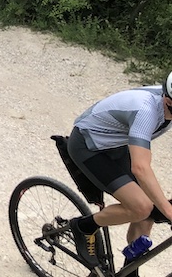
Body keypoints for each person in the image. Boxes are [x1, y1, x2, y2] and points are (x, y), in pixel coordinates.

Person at [64, 76, 172, 273]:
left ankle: (131, 269)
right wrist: (169, 211)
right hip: (89, 147)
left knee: (150, 212)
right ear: (168, 101)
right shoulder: (146, 111)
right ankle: (83, 227)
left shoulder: (167, 100)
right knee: (142, 207)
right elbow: (140, 168)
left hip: (116, 145)